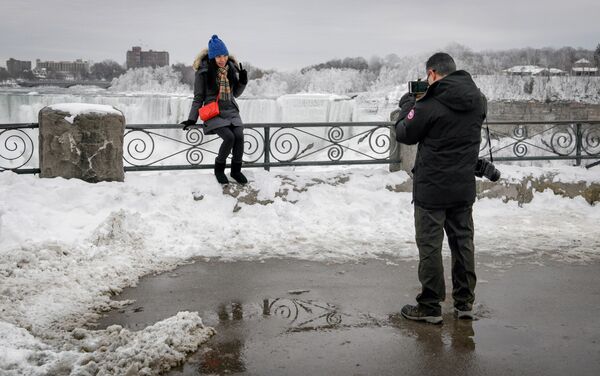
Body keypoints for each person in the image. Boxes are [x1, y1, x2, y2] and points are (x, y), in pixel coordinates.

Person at [395, 52, 487, 324]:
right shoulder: (478, 100)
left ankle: (430, 306)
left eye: (427, 77)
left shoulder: (430, 103)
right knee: (463, 245)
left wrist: (408, 105)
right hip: (462, 187)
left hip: (432, 189)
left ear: (433, 73)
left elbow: (404, 132)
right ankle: (464, 303)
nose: (426, 81)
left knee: (430, 247)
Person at [181, 35, 249, 184]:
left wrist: (243, 81)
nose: (222, 59)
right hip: (214, 112)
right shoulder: (203, 72)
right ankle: (219, 168)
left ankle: (236, 171)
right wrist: (192, 118)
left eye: (224, 55)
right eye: (218, 56)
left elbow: (235, 93)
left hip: (231, 110)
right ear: (212, 57)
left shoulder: (231, 68)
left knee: (239, 137)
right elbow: (198, 97)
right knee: (229, 137)